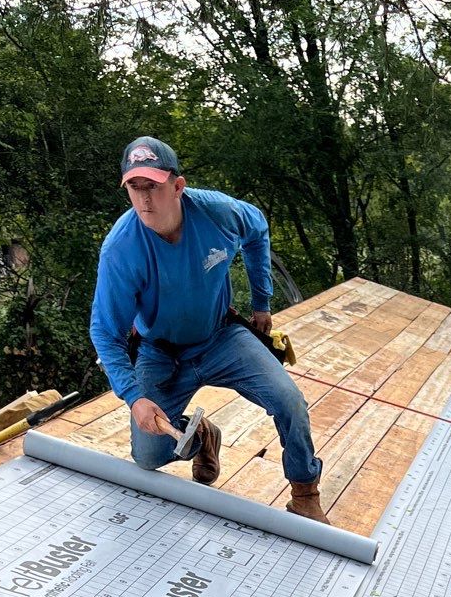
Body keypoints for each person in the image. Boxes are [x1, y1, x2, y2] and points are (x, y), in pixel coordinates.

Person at [89, 136, 327, 522]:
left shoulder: (217, 212)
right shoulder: (122, 249)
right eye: (135, 187)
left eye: (154, 186)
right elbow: (105, 332)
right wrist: (134, 397)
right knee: (148, 456)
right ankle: (201, 436)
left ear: (178, 186)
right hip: (159, 351)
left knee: (290, 402)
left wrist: (262, 302)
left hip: (221, 337)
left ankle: (305, 492)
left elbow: (258, 231)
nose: (145, 199)